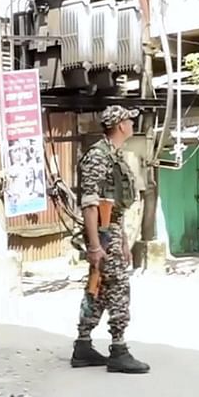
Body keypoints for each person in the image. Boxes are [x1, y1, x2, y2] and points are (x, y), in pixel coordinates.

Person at [70, 105, 151, 374]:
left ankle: (83, 346)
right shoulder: (99, 156)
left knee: (100, 288)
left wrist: (124, 240)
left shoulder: (114, 155)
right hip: (103, 232)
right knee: (117, 286)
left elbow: (114, 205)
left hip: (111, 229)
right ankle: (118, 349)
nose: (131, 123)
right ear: (119, 125)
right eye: (128, 119)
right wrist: (94, 245)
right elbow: (90, 204)